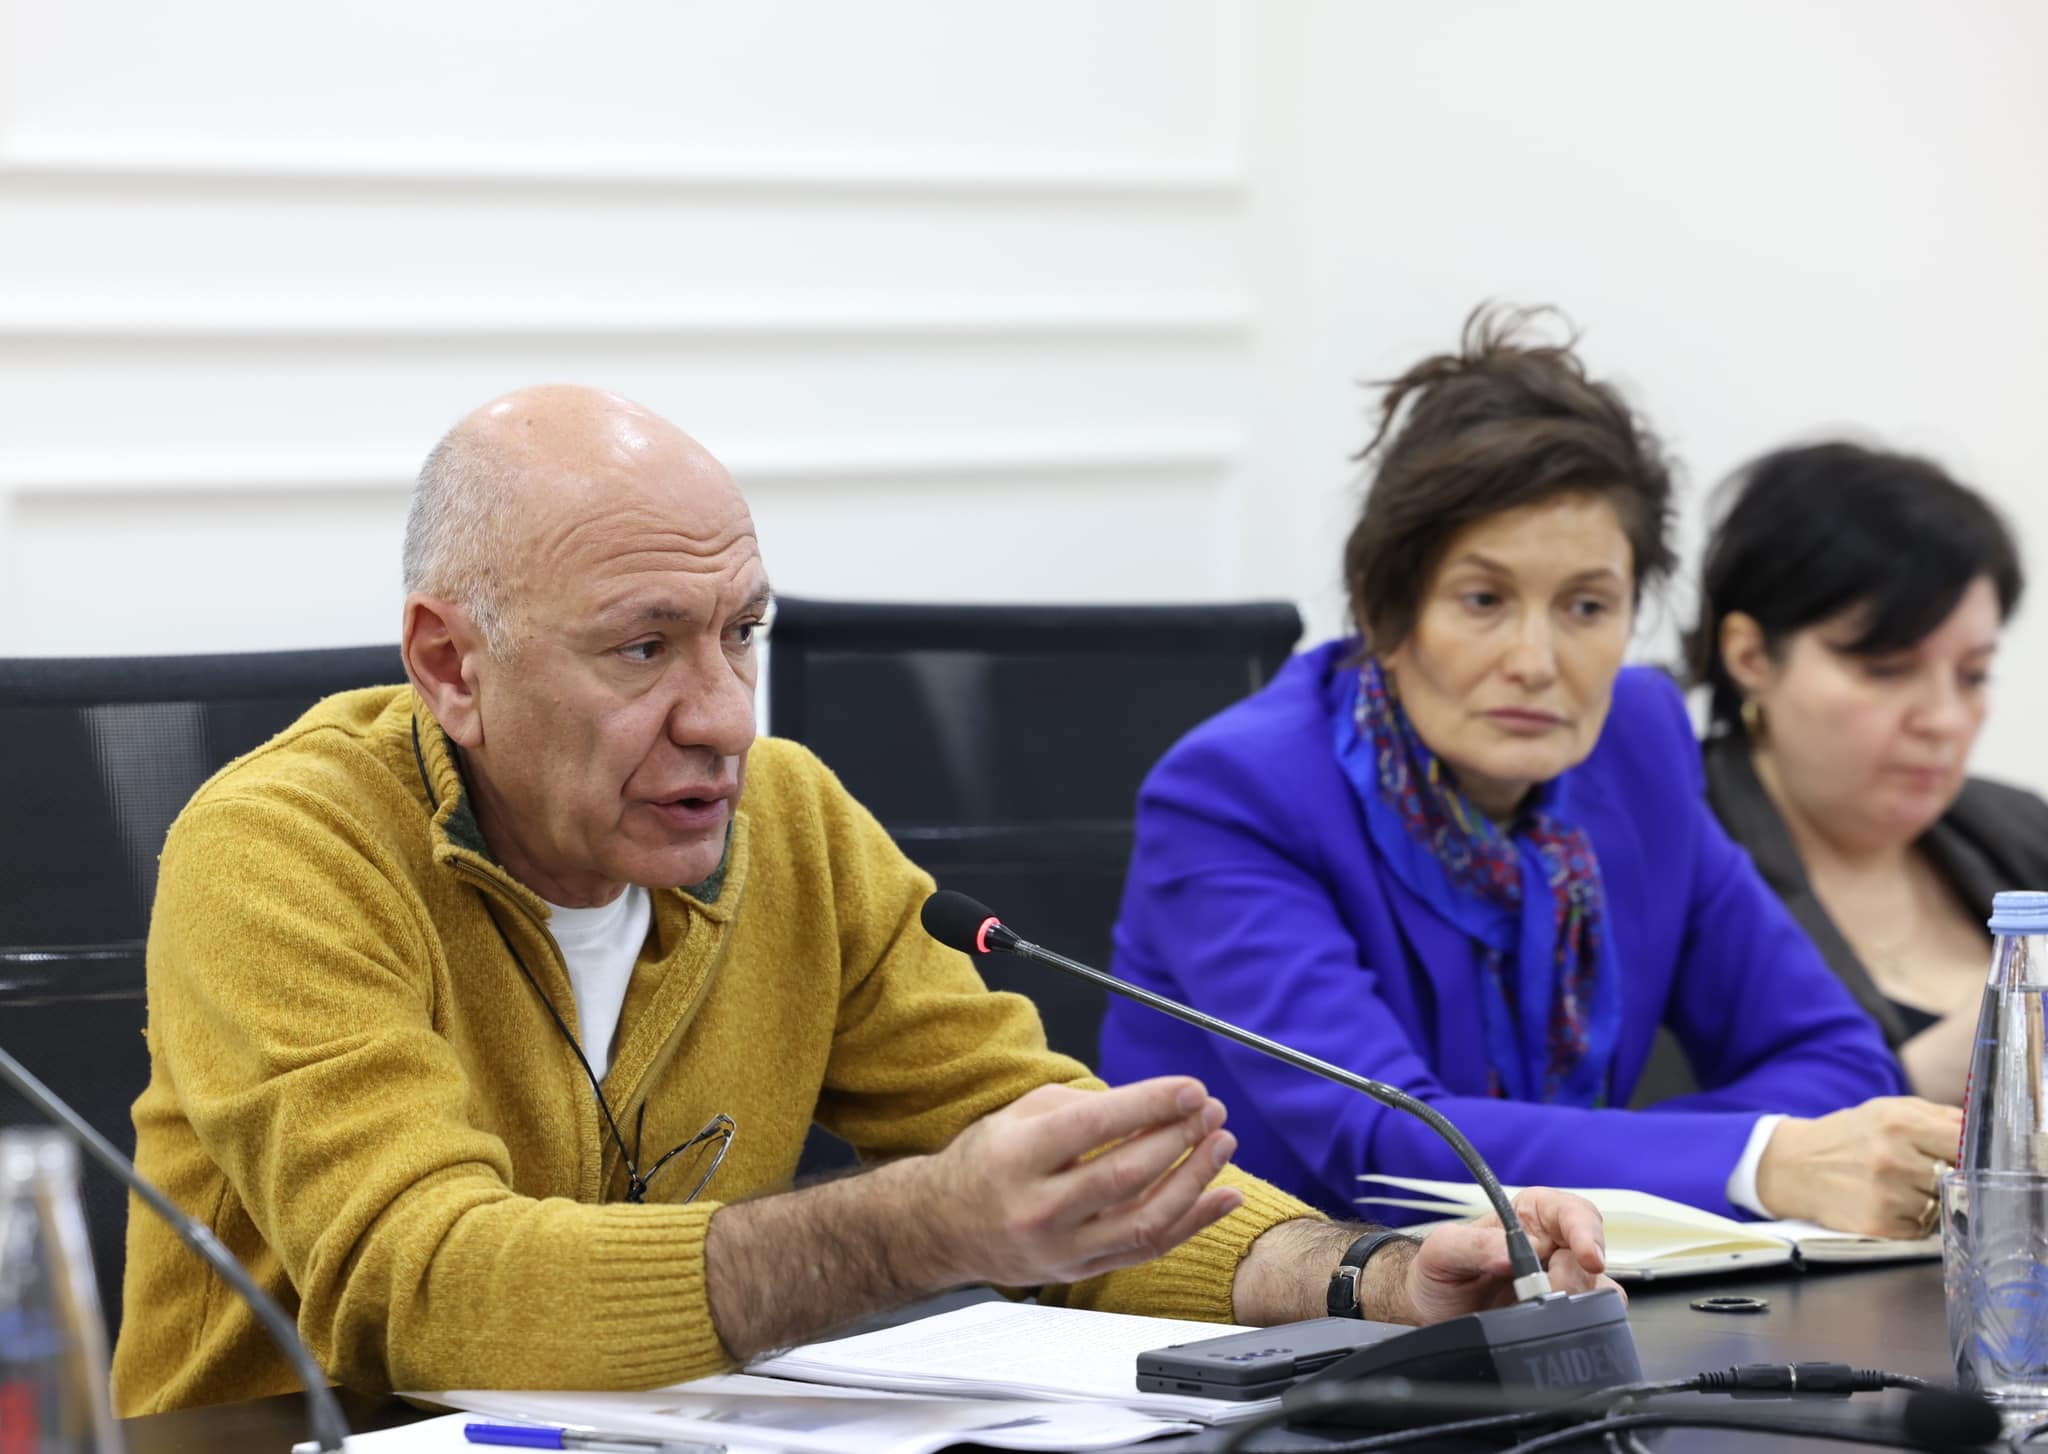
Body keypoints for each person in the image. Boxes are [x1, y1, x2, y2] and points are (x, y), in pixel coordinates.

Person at [111, 385, 1612, 1415]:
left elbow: (1058, 1158)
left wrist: (1367, 1274)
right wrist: (914, 1228)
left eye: (741, 632)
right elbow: (423, 1285)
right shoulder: (282, 849)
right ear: (450, 664)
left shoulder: (786, 823)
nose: (722, 714)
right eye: (642, 647)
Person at [1099, 307, 1958, 1242]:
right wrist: (1757, 1162)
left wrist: (1672, 1160)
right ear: (1385, 609)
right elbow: (1386, 1144)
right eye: (1483, 599)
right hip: (1261, 1297)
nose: (1536, 662)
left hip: (1574, 1287)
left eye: (1586, 606)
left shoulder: (1638, 744)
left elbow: (1838, 1058)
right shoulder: (1235, 794)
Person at [1686, 441, 2044, 1106]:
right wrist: (1924, 1077)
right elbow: (1645, 1126)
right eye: (1886, 669)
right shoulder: (1670, 855)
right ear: (1750, 655)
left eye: (1973, 675)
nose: (1944, 719)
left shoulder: (2021, 830)